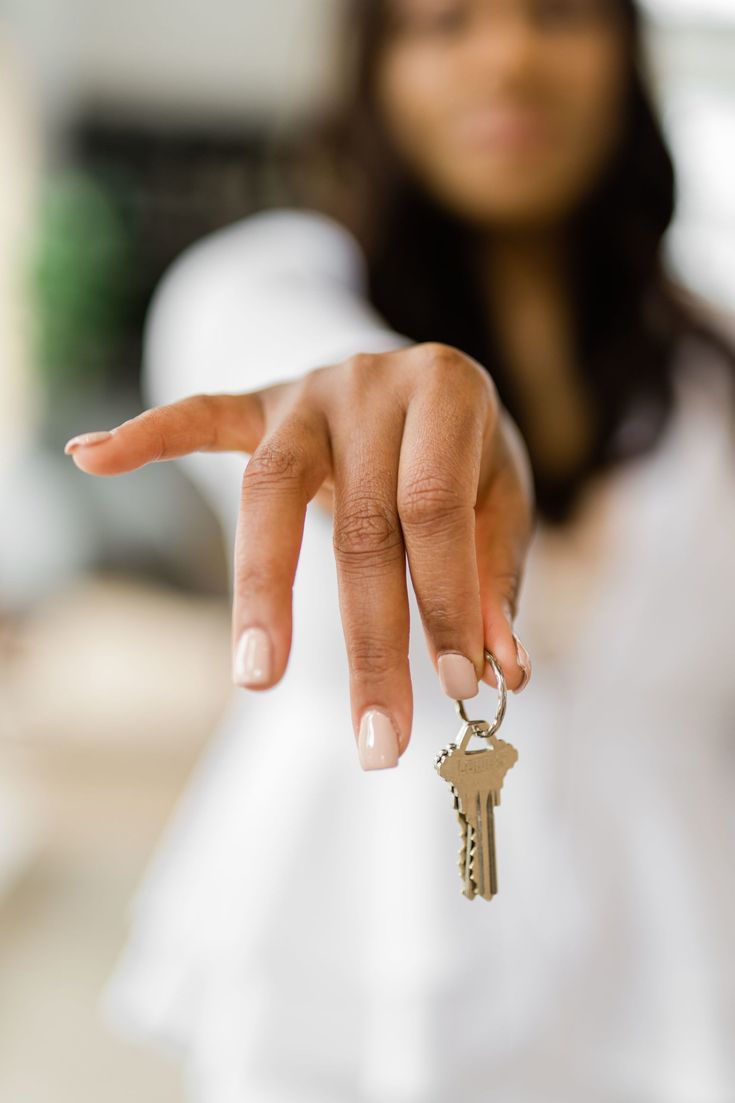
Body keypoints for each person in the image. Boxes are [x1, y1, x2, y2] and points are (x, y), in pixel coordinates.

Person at [64, 1, 735, 1100]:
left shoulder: (714, 365)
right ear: (375, 67)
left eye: (558, 12)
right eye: (443, 20)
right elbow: (265, 343)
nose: (509, 55)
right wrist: (371, 387)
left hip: (673, 974)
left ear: (626, 47)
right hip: (340, 961)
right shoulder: (267, 282)